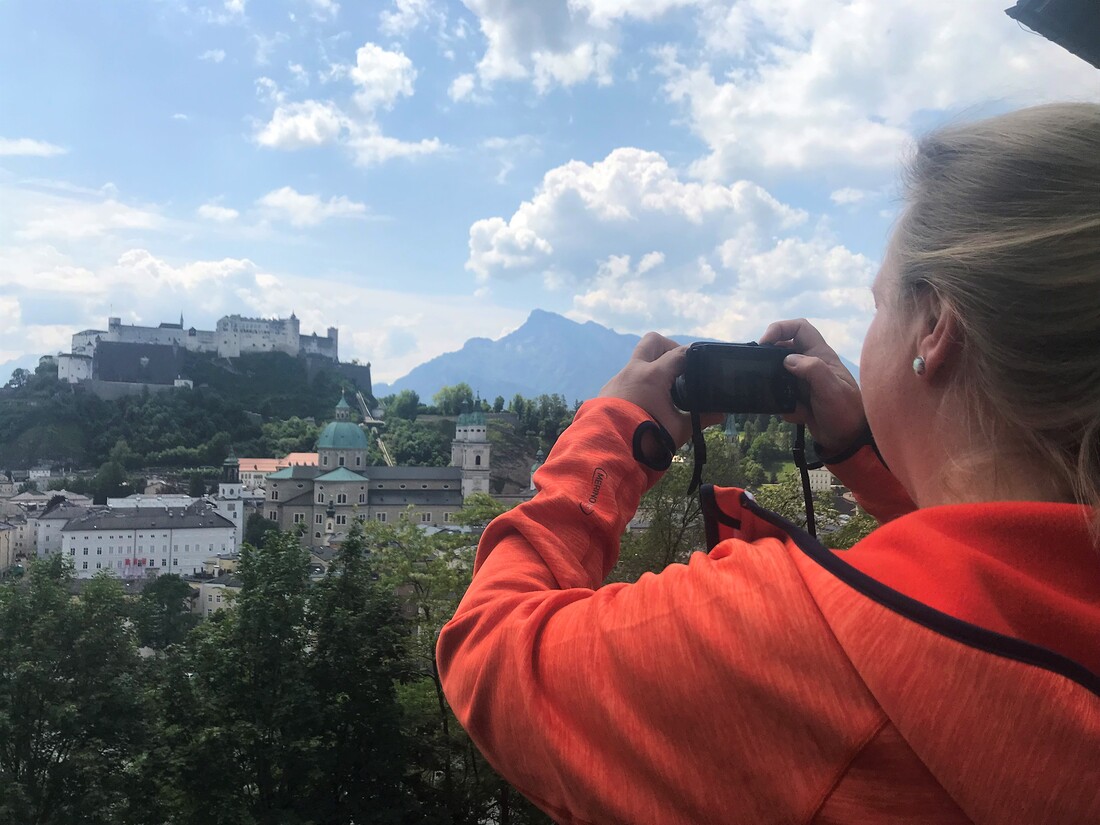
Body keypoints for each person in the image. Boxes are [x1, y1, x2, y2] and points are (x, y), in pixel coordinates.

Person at [436, 103, 1100, 824]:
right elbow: (994, 577)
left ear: (934, 327)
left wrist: (615, 432)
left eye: (879, 306)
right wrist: (864, 451)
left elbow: (492, 652)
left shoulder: (812, 642)